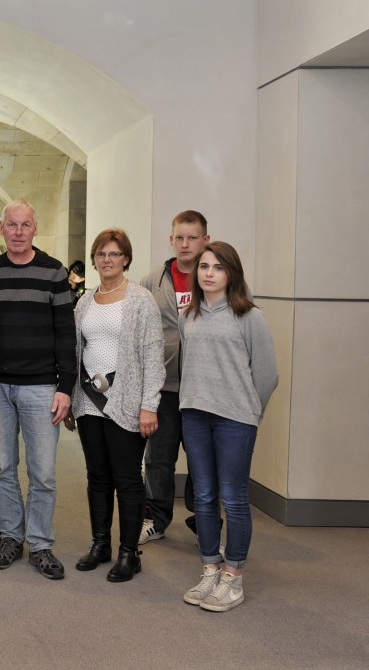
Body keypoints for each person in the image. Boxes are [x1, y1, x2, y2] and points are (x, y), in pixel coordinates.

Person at [0, 199, 76, 580]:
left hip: (41, 387)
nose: (18, 232)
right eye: (12, 225)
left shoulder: (53, 273)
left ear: (35, 228)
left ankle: (41, 543)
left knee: (43, 473)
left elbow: (67, 335)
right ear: (1, 229)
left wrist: (65, 387)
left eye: (26, 225)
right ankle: (11, 537)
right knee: (1, 467)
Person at [179, 241, 278, 612]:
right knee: (203, 496)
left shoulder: (249, 316)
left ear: (231, 273)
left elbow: (267, 374)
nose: (208, 273)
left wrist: (250, 412)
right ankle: (210, 569)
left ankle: (233, 576)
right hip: (194, 415)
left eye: (217, 267)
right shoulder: (188, 316)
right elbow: (187, 367)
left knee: (234, 498)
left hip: (235, 419)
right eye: (204, 266)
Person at [65, 229, 165, 582]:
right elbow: (78, 352)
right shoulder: (85, 302)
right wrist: (73, 398)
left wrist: (150, 404)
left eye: (114, 254)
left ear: (126, 259)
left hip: (126, 400)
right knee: (97, 476)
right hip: (90, 401)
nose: (107, 260)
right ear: (93, 259)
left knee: (127, 478)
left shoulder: (140, 300)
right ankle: (100, 544)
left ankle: (129, 553)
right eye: (101, 254)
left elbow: (154, 355)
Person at [138, 210, 210, 544]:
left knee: (202, 460)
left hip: (204, 389)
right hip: (164, 388)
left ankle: (204, 521)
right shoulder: (154, 281)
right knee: (158, 459)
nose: (185, 244)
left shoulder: (216, 278)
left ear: (205, 240)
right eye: (179, 237)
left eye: (192, 237)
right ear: (171, 240)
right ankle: (156, 518)